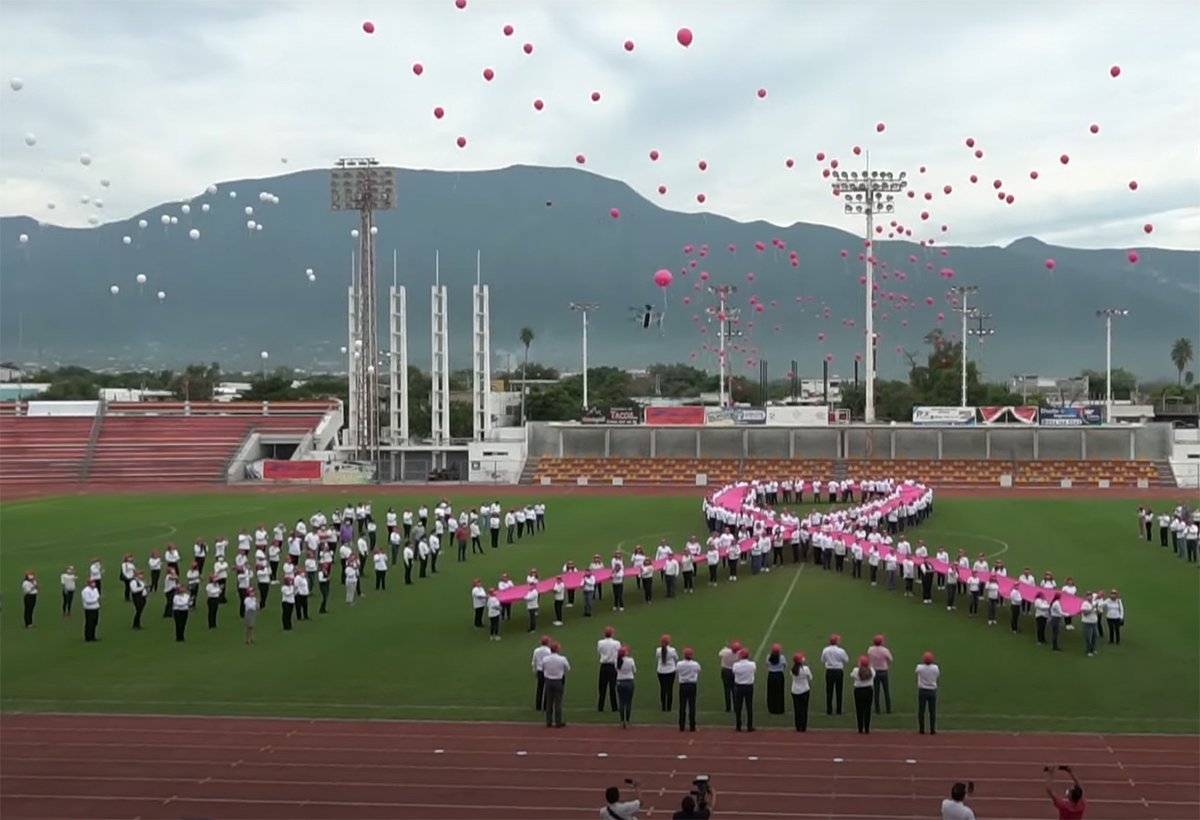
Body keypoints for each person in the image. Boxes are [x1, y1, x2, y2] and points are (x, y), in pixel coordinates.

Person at [541, 642, 570, 728]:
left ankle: (548, 721)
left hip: (548, 680)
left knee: (549, 702)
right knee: (558, 702)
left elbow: (543, 668)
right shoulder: (562, 659)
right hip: (558, 680)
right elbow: (567, 668)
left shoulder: (545, 659)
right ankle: (558, 721)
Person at [820, 634, 850, 716]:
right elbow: (846, 660)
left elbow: (822, 660)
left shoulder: (825, 650)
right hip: (838, 671)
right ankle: (839, 710)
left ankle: (829, 709)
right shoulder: (841, 651)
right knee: (839, 690)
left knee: (829, 691)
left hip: (829, 671)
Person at [731, 647, 757, 732]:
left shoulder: (736, 665)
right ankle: (749, 726)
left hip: (739, 686)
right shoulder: (752, 664)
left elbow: (734, 672)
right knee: (749, 706)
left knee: (738, 707)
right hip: (749, 686)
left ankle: (738, 726)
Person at [867, 635, 893, 715]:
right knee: (886, 691)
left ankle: (877, 709)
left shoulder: (870, 649)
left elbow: (869, 658)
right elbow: (890, 659)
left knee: (876, 691)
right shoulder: (885, 650)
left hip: (874, 671)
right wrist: (886, 665)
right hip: (883, 671)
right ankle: (888, 709)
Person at [676, 648, 700, 732]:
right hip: (692, 685)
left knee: (682, 706)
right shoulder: (695, 664)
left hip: (683, 685)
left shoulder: (679, 664)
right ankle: (692, 726)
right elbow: (698, 671)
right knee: (692, 705)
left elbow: (677, 671)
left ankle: (681, 726)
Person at [597, 626, 620, 712]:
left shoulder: (600, 643)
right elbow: (618, 654)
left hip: (603, 666)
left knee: (602, 687)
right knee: (612, 687)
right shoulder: (617, 643)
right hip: (612, 666)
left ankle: (600, 707)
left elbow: (599, 652)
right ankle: (614, 707)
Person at [916, 651, 940, 735]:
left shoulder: (919, 667)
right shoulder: (935, 668)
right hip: (932, 690)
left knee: (921, 710)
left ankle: (921, 729)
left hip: (922, 690)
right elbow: (937, 676)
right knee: (932, 711)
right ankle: (932, 730)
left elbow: (917, 672)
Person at [851, 656, 876, 734]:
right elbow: (873, 675)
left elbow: (852, 675)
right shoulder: (871, 670)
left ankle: (860, 728)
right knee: (867, 709)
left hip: (858, 691)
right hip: (868, 690)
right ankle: (867, 728)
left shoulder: (856, 670)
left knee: (859, 710)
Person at [790, 652, 813, 732]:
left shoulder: (792, 670)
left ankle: (798, 726)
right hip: (804, 690)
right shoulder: (805, 669)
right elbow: (810, 678)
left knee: (797, 709)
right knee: (804, 709)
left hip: (795, 690)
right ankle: (803, 726)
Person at [615, 646, 637, 728]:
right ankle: (627, 720)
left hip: (620, 682)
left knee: (621, 701)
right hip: (629, 681)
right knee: (628, 702)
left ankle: (621, 721)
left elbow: (616, 669)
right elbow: (634, 670)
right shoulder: (630, 660)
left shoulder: (617, 661)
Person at [765, 643, 787, 715]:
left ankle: (771, 708)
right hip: (779, 675)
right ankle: (780, 709)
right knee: (780, 692)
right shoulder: (782, 657)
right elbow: (785, 665)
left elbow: (767, 664)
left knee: (771, 692)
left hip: (771, 675)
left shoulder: (768, 657)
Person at [532, 635, 552, 711]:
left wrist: (534, 671)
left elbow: (534, 662)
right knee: (547, 689)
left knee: (539, 689)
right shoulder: (549, 651)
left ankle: (538, 706)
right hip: (547, 671)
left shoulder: (536, 650)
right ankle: (545, 706)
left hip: (539, 671)